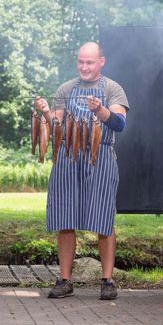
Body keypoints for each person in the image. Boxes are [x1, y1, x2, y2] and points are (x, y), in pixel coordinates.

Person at [35, 42, 129, 300]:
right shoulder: (66, 88)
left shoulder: (112, 88)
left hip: (101, 159)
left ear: (101, 61)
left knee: (104, 220)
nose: (84, 67)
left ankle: (107, 280)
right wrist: (45, 112)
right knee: (65, 219)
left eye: (89, 62)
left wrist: (100, 109)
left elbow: (120, 123)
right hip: (68, 158)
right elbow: (56, 123)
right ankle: (65, 280)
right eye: (80, 62)